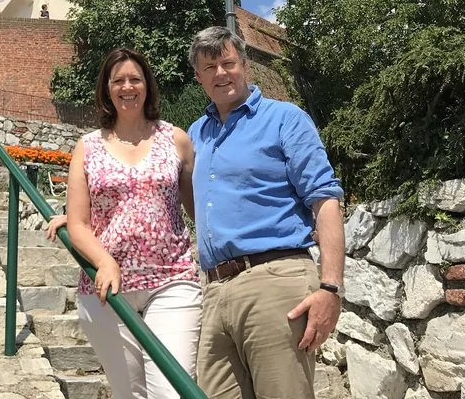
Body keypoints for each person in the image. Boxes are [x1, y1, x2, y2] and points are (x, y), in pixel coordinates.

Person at [188, 26, 345, 399]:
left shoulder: (285, 119)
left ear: (245, 65)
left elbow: (325, 199)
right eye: (210, 67)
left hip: (275, 278)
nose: (221, 73)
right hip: (215, 289)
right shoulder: (196, 134)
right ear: (198, 77)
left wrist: (330, 288)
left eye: (228, 63)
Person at [46, 47, 201, 399]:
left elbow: (199, 208)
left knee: (172, 392)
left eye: (135, 79)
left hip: (171, 279)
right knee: (129, 394)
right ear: (107, 88)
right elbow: (80, 223)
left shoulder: (176, 139)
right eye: (118, 81)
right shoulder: (87, 147)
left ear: (147, 85)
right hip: (108, 289)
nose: (127, 87)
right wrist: (103, 260)